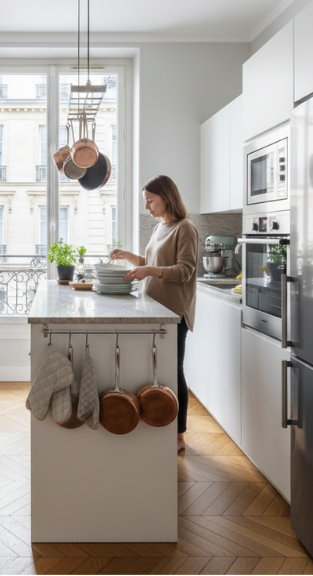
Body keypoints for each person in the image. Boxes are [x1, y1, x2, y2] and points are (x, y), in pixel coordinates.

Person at [110, 175, 198, 453]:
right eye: (145, 201)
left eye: (150, 200)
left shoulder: (186, 228)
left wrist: (148, 270)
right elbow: (155, 263)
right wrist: (130, 257)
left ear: (166, 197)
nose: (147, 206)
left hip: (173, 313)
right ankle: (161, 425)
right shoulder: (161, 227)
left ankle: (179, 434)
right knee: (160, 370)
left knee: (174, 371)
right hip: (154, 310)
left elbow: (184, 270)